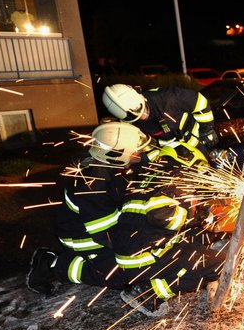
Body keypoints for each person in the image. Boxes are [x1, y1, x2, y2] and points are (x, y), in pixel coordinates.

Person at [26, 122, 153, 296]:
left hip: (103, 229)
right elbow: (105, 234)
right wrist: (142, 244)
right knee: (129, 274)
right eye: (136, 151)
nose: (141, 154)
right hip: (85, 239)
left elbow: (144, 165)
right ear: (117, 154)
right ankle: (53, 264)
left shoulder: (109, 162)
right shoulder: (92, 185)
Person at [114, 144, 224, 317]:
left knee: (200, 241)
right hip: (143, 259)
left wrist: (201, 220)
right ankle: (146, 293)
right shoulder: (177, 179)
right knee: (219, 263)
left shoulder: (151, 176)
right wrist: (196, 217)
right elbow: (160, 215)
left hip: (131, 252)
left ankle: (146, 284)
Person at [102, 83, 218, 163]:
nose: (143, 117)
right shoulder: (127, 126)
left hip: (193, 140)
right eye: (135, 117)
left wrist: (207, 130)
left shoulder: (169, 97)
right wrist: (144, 158)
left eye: (143, 110)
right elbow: (141, 148)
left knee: (205, 167)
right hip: (165, 152)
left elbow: (200, 103)